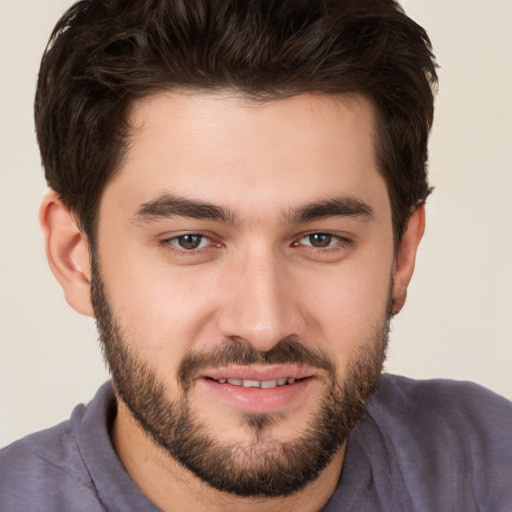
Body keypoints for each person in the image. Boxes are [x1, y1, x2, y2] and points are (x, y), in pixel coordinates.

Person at [0, 0, 511, 510]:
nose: (264, 325)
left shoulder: (491, 469)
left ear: (401, 253)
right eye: (190, 241)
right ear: (75, 257)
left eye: (320, 239)